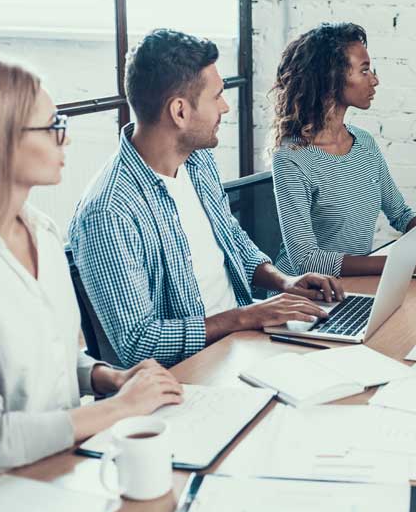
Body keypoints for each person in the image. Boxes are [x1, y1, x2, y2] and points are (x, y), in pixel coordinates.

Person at [0, 51, 183, 495]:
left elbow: (47, 354)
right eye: (52, 126)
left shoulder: (42, 231)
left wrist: (105, 376)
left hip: (56, 469)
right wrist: (120, 408)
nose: (66, 140)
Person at [69, 29, 344, 368]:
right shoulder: (109, 211)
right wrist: (245, 317)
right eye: (216, 96)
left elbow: (231, 239)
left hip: (245, 347)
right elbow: (138, 344)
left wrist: (284, 282)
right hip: (190, 376)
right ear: (179, 112)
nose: (225, 107)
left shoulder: (197, 160)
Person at [270, 22, 416, 277]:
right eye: (365, 71)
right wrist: (402, 262)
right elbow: (306, 260)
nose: (375, 80)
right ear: (332, 78)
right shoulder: (291, 158)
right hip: (304, 295)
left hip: (354, 285)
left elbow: (400, 214)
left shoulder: (364, 142)